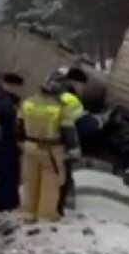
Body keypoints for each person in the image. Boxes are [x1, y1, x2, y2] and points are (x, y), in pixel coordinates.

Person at [18, 73, 81, 223]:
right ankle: (46, 217)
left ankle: (29, 214)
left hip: (29, 147)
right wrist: (74, 150)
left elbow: (18, 127)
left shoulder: (28, 102)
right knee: (50, 185)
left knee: (30, 182)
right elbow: (67, 131)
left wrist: (22, 144)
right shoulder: (61, 107)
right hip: (52, 150)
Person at [0, 72, 25, 212]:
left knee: (3, 174)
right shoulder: (6, 102)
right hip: (5, 142)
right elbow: (11, 124)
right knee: (8, 174)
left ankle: (6, 204)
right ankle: (7, 205)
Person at [56, 66, 87, 216]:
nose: (83, 89)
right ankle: (57, 210)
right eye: (83, 85)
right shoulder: (73, 100)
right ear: (76, 83)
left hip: (49, 142)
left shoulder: (57, 95)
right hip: (63, 146)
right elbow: (77, 126)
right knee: (63, 178)